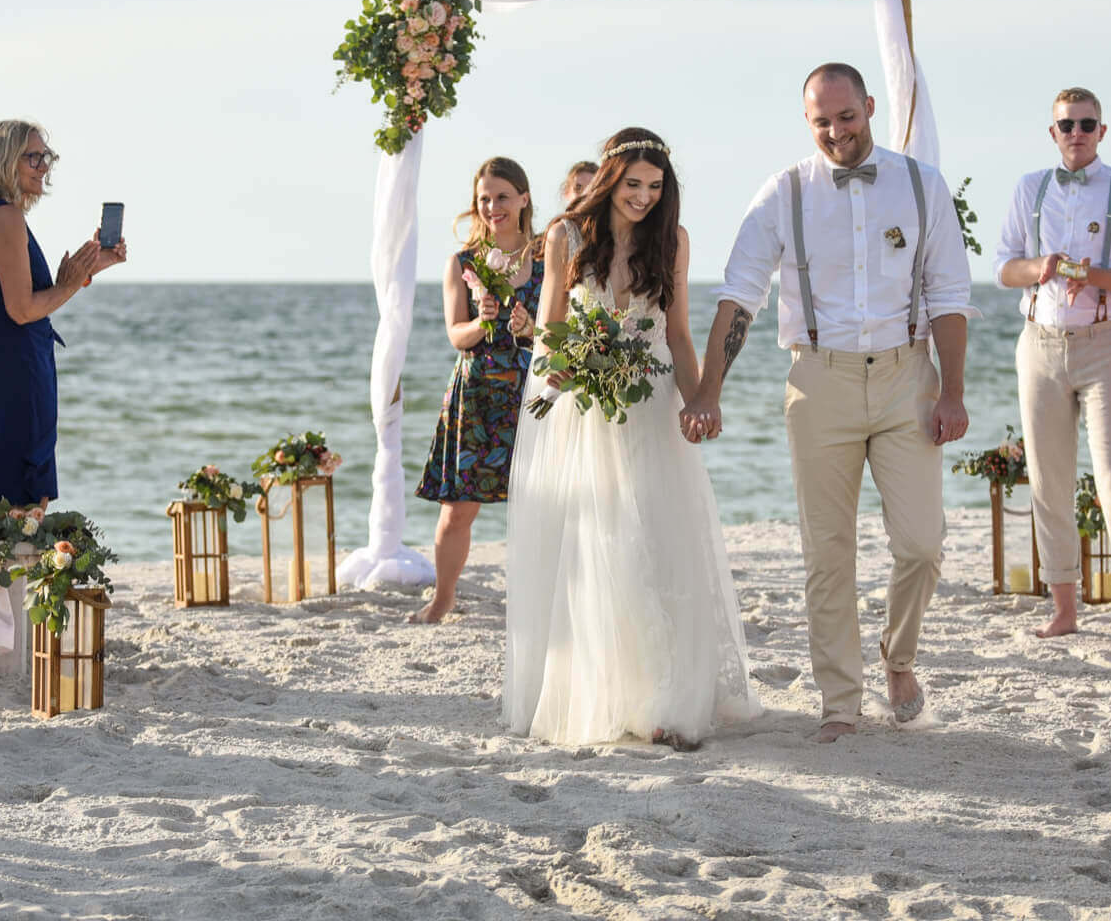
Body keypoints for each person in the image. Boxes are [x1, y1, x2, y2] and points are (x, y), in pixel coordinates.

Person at [685, 63, 975, 743]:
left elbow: (950, 295)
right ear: (806, 121)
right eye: (822, 121)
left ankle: (897, 657)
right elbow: (741, 293)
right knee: (828, 552)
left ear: (869, 106)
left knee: (922, 545)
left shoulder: (921, 184)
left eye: (847, 117)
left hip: (908, 374)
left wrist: (954, 392)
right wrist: (708, 390)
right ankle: (839, 702)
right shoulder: (783, 192)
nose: (837, 132)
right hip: (818, 379)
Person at [504, 127, 759, 749]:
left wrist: (702, 399)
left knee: (658, 542)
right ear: (611, 178)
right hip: (585, 412)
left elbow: (676, 333)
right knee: (596, 549)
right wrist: (564, 367)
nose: (643, 197)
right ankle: (605, 692)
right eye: (633, 184)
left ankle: (667, 701)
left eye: (655, 186)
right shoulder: (565, 236)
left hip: (650, 401)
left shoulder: (672, 241)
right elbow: (550, 327)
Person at [993, 87, 1111, 639]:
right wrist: (1039, 266)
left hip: (1105, 343)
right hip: (1038, 345)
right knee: (1047, 478)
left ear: (1102, 131)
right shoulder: (1028, 188)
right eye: (1067, 125)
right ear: (1053, 133)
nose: (1077, 133)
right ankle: (1064, 607)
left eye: (1087, 123)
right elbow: (1002, 267)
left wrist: (1097, 277)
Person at [0, 122, 122, 652]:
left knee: (14, 503)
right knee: (17, 501)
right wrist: (70, 284)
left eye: (46, 155)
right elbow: (23, 308)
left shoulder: (1, 216)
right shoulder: (3, 217)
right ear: (5, 161)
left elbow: (31, 301)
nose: (43, 164)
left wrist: (82, 271)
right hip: (10, 368)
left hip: (14, 361)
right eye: (33, 156)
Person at [410, 157, 543, 624]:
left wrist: (531, 329)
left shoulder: (550, 258)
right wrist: (482, 321)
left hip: (533, 395)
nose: (492, 207)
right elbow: (456, 335)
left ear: (524, 198)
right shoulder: (462, 262)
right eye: (484, 199)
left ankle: (538, 604)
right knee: (458, 510)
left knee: (542, 507)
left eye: (502, 196)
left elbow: (560, 331)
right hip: (477, 395)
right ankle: (442, 599)